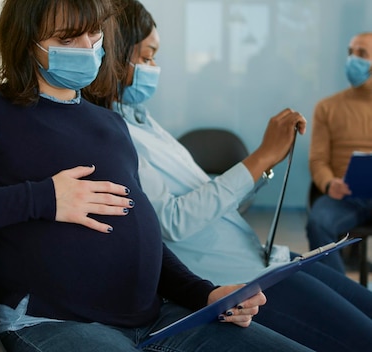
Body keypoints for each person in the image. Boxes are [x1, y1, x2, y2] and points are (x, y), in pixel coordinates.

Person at [0, 1, 312, 351]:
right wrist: (44, 198)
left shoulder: (109, 123)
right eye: (66, 39)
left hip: (156, 318)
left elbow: (140, 231)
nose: (87, 47)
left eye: (93, 35)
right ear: (25, 43)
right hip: (54, 324)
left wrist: (205, 294)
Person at [96, 0, 372, 351]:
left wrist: (265, 164)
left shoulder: (140, 119)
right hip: (239, 282)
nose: (154, 68)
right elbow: (173, 221)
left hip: (265, 261)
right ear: (115, 57)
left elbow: (207, 195)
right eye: (147, 57)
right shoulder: (113, 136)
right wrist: (259, 157)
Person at [307, 31, 372, 273]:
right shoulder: (327, 107)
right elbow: (318, 159)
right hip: (343, 196)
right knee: (318, 223)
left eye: (362, 53)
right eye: (351, 52)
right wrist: (328, 183)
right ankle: (344, 295)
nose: (353, 59)